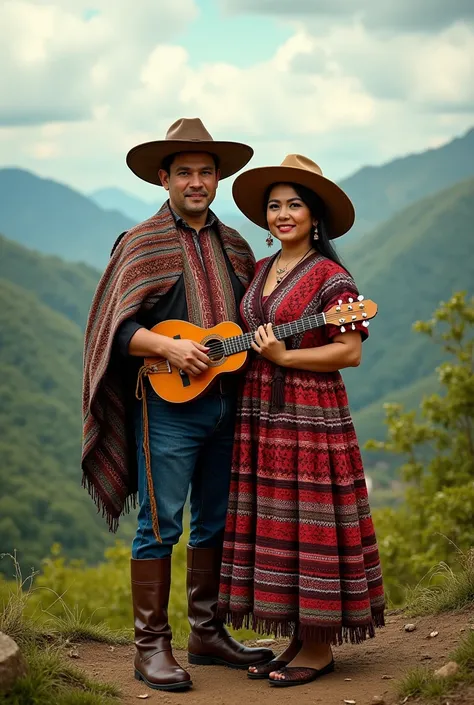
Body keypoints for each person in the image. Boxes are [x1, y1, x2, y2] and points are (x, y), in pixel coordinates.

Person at [81, 118, 274, 693]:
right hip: (165, 407)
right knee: (161, 524)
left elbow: (250, 321)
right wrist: (168, 345)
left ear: (219, 177)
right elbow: (112, 330)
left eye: (206, 171)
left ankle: (207, 634)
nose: (196, 181)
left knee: (214, 519)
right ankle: (150, 646)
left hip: (226, 405)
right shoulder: (141, 243)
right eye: (184, 171)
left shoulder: (236, 246)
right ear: (163, 177)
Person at [217, 154, 385, 688]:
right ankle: (296, 638)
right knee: (280, 520)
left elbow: (349, 352)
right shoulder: (264, 271)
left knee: (309, 517)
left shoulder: (332, 276)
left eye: (294, 205)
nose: (283, 214)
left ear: (315, 216)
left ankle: (319, 648)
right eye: (274, 206)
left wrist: (286, 358)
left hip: (311, 413)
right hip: (261, 413)